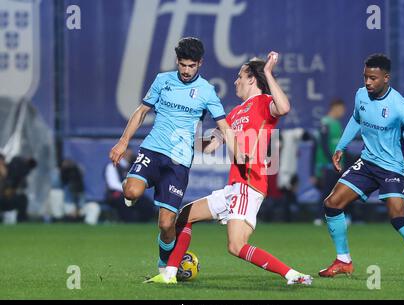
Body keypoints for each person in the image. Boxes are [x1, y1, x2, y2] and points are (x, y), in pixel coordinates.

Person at [147, 52, 313, 285]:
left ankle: (294, 275)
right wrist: (184, 135)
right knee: (184, 216)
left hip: (249, 184)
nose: (235, 81)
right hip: (234, 187)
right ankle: (169, 274)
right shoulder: (234, 114)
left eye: (239, 76)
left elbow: (284, 107)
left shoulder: (265, 103)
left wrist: (267, 71)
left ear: (252, 79)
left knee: (236, 246)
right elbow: (211, 145)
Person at [109, 37, 239, 274]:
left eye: (191, 66)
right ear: (177, 62)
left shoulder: (207, 92)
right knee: (131, 191)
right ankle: (133, 193)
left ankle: (163, 266)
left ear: (200, 63)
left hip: (179, 161)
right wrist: (123, 141)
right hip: (153, 149)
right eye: (182, 65)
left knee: (167, 224)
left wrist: (239, 156)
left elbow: (225, 127)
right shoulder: (162, 80)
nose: (186, 70)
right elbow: (141, 112)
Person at [318, 54, 404, 280]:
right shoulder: (360, 95)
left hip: (393, 168)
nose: (367, 82)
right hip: (367, 162)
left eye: (373, 78)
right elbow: (356, 119)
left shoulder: (400, 105)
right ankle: (343, 260)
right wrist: (340, 147)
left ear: (386, 78)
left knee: (397, 217)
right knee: (332, 204)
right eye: (365, 77)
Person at [312, 99, 347, 226]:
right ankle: (318, 216)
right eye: (342, 109)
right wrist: (331, 161)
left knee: (338, 192)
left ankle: (335, 217)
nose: (343, 112)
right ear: (335, 108)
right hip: (328, 165)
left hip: (337, 164)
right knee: (327, 192)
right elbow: (323, 145)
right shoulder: (325, 123)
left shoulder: (337, 124)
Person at [105, 147, 155, 222]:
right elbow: (113, 184)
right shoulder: (112, 166)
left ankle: (142, 222)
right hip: (117, 195)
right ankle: (127, 221)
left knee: (146, 203)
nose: (129, 154)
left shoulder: (133, 166)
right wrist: (128, 189)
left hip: (132, 193)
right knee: (124, 204)